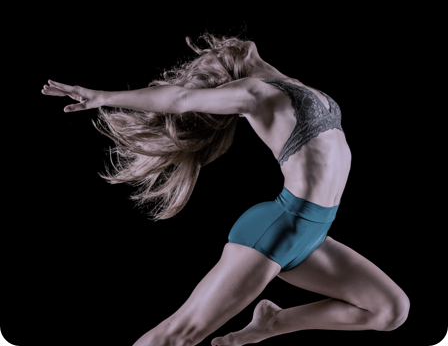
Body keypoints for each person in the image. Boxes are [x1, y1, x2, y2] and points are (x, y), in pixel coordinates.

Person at [42, 33, 410, 346]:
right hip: (277, 229)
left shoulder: (288, 82)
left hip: (312, 233)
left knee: (390, 309)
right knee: (178, 335)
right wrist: (100, 96)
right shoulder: (254, 93)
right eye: (217, 54)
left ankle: (273, 323)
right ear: (226, 74)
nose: (224, 44)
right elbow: (179, 100)